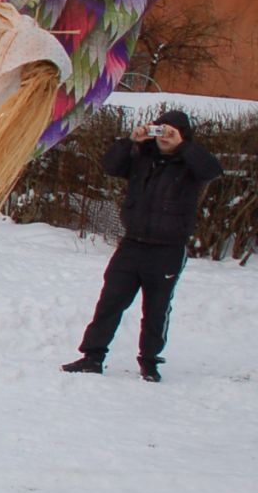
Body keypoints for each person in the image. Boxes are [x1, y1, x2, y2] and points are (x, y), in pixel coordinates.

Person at [62, 109, 223, 382]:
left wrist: (182, 145)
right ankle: (92, 356)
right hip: (132, 244)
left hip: (167, 249)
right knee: (110, 301)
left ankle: (149, 362)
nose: (164, 136)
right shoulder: (143, 158)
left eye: (171, 131)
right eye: (160, 129)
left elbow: (212, 170)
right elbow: (110, 166)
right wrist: (131, 141)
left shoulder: (190, 165)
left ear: (184, 136)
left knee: (157, 308)